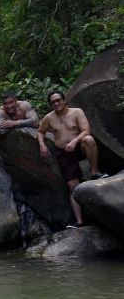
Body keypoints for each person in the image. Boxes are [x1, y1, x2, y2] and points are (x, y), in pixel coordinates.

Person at [37, 91, 108, 229]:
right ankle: (79, 221)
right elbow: (40, 131)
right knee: (72, 186)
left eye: (58, 100)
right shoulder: (49, 118)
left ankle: (94, 171)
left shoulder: (76, 112)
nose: (56, 103)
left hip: (79, 146)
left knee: (89, 139)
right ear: (50, 104)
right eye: (53, 102)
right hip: (64, 152)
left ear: (64, 100)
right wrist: (42, 144)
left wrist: (74, 141)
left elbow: (86, 130)